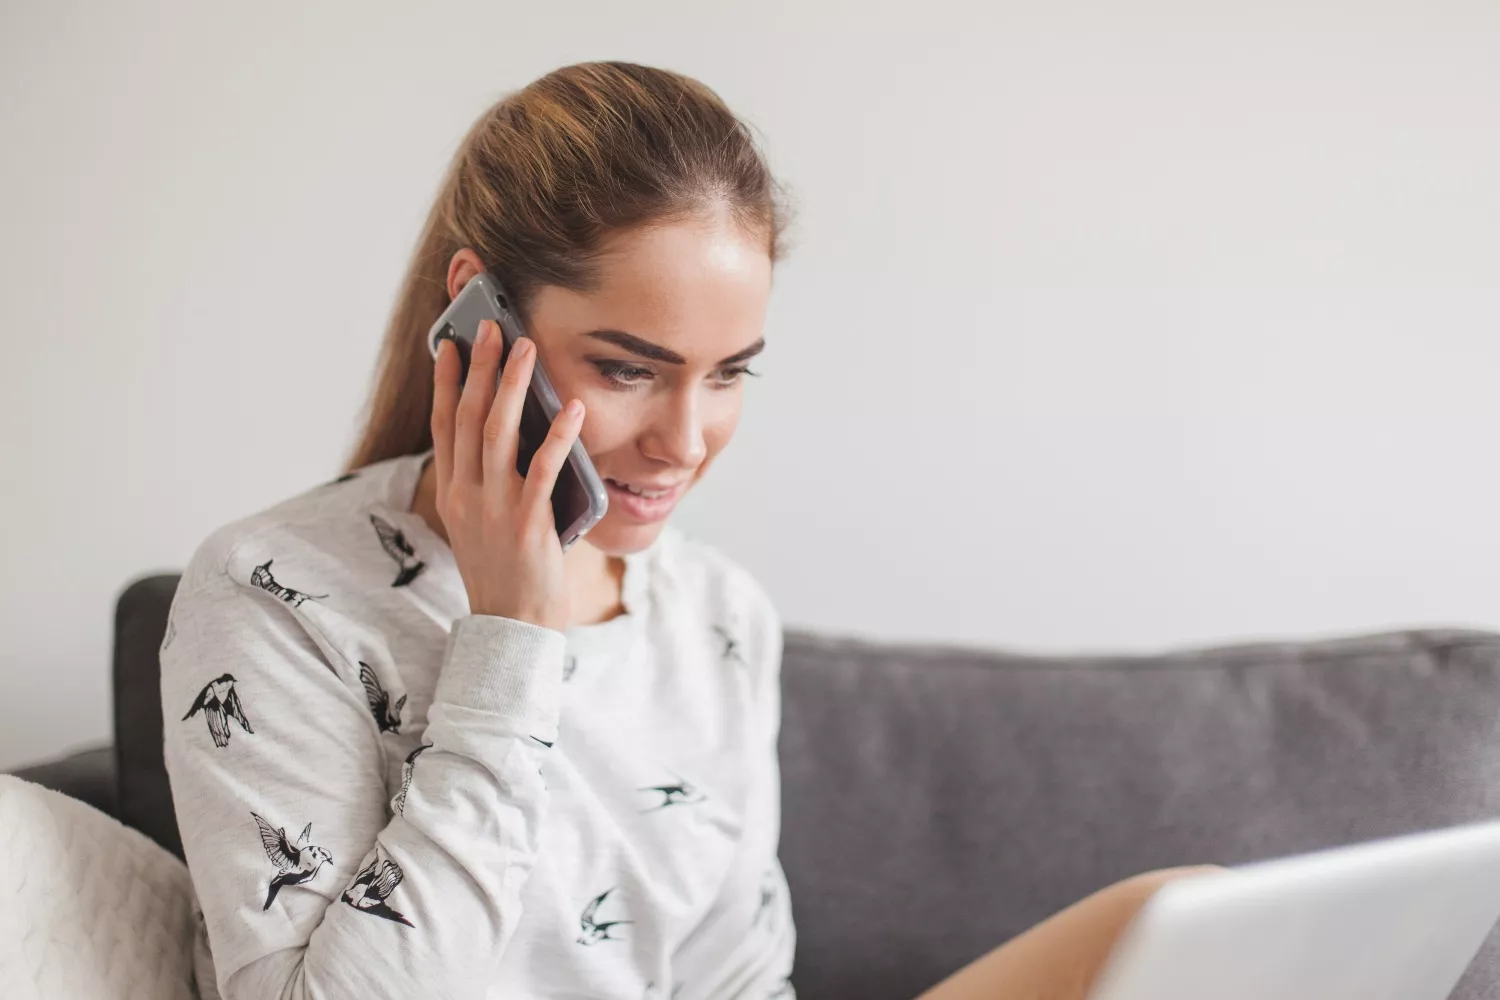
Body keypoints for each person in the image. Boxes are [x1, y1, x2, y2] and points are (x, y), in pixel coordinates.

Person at [159, 60, 1217, 1000]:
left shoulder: (716, 614)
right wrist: (512, 645)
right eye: (628, 368)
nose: (685, 441)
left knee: (1182, 916)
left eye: (729, 374)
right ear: (481, 319)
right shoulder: (274, 591)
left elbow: (737, 976)